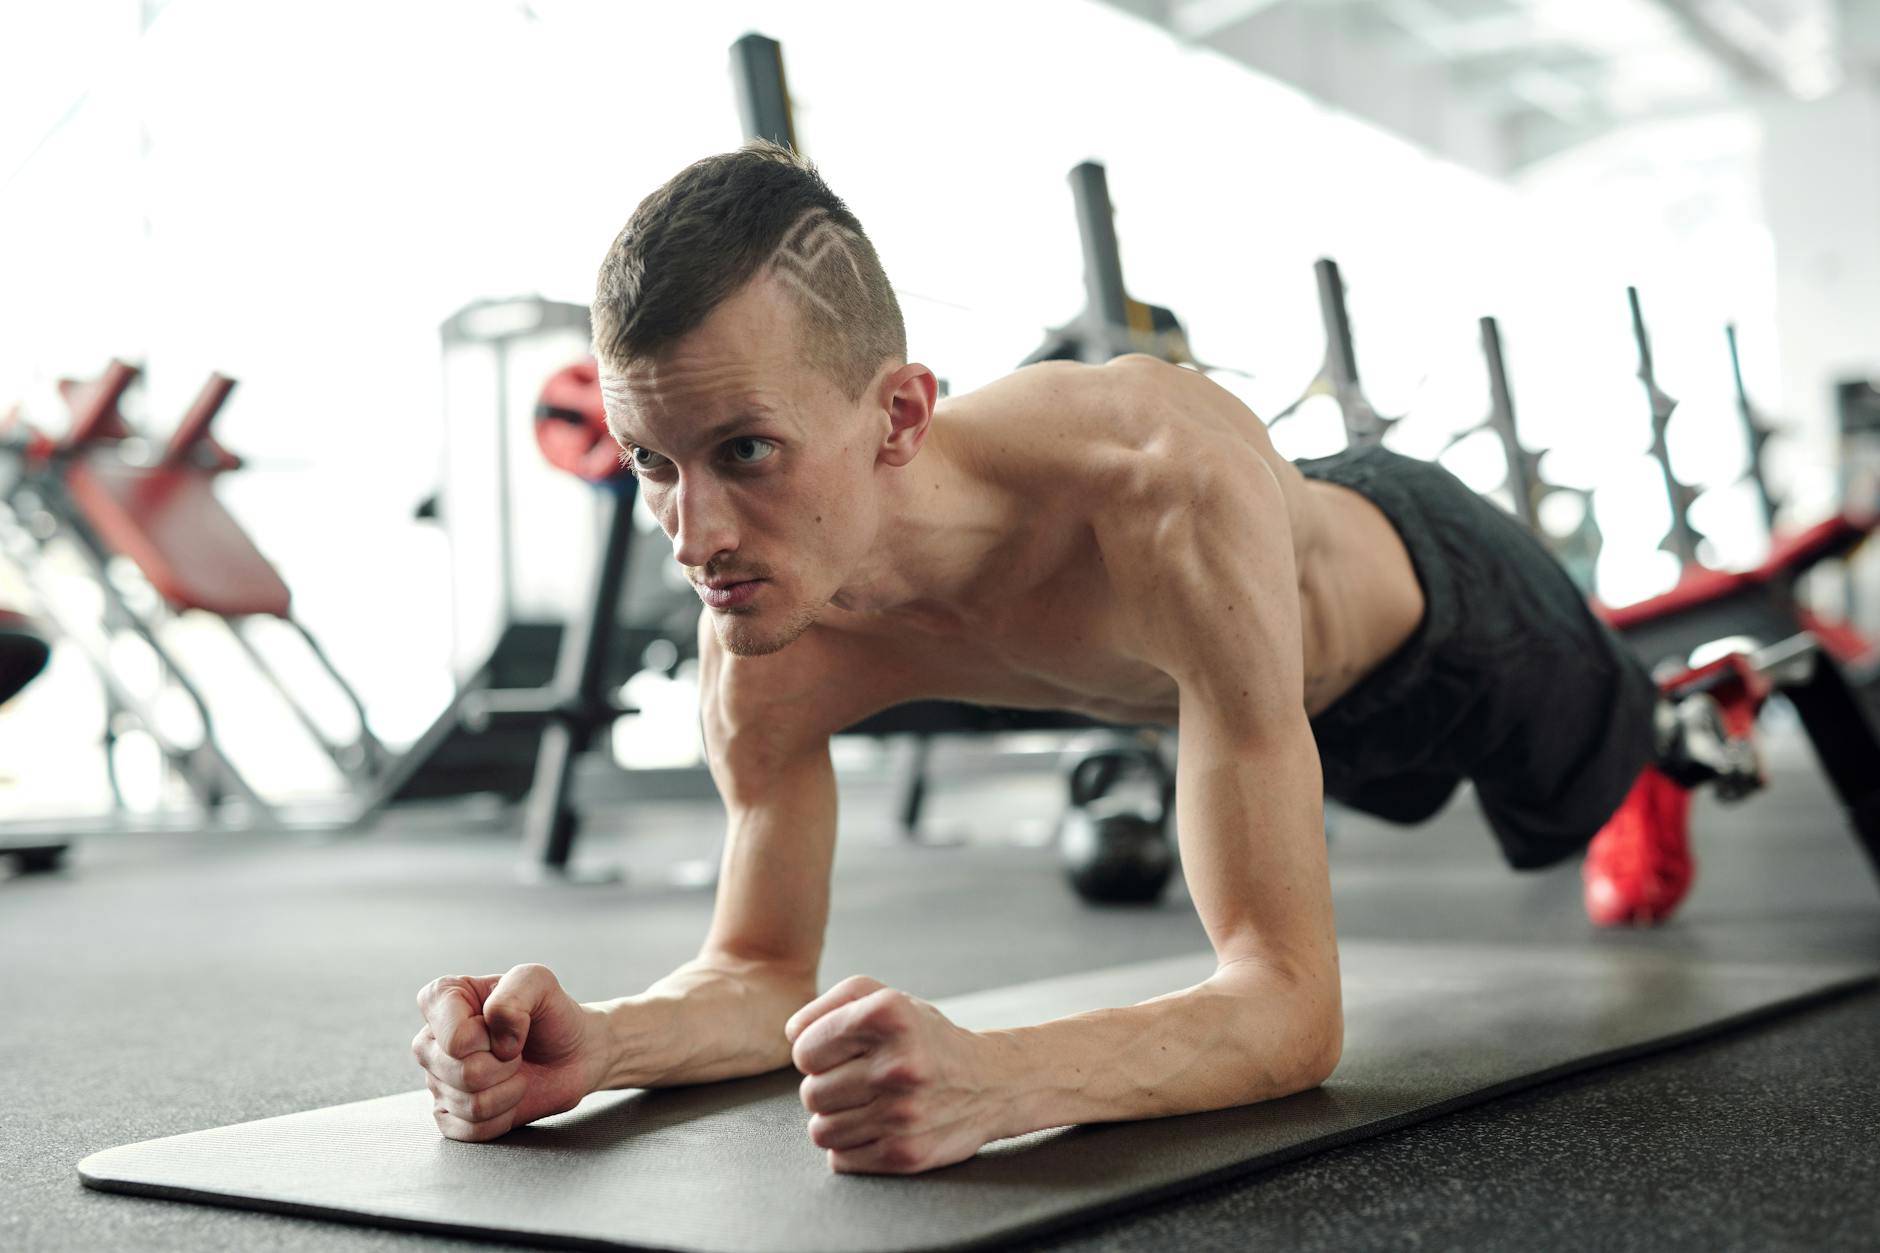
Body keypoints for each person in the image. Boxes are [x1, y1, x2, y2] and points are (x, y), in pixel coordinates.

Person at [411, 141, 1728, 1175]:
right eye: (654, 461)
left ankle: (1674, 731)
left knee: (1603, 776)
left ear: (901, 415)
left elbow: (1290, 1004)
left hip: (1440, 612)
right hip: (1244, 714)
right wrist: (606, 1041)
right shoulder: (765, 622)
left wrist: (997, 1075)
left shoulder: (1156, 479)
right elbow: (758, 972)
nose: (690, 535)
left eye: (745, 451)